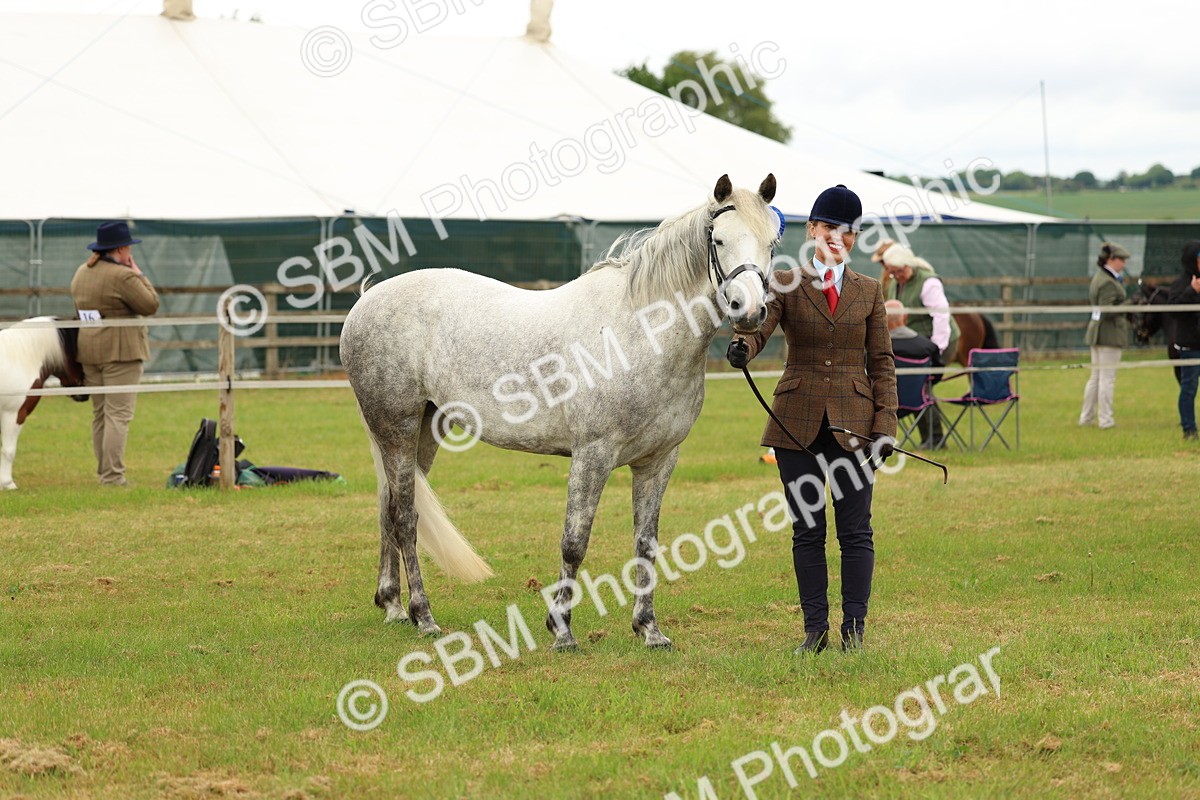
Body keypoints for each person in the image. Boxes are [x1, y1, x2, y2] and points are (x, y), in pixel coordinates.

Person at [727, 185, 897, 654]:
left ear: (855, 237)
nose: (837, 237)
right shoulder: (785, 281)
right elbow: (761, 328)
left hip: (856, 426)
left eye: (847, 231)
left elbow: (881, 361)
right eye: (828, 228)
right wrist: (744, 345)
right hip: (795, 423)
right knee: (808, 528)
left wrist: (885, 427)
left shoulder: (869, 290)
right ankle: (814, 629)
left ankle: (854, 630)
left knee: (855, 530)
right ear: (813, 231)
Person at [70, 221, 159, 485]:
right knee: (118, 414)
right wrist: (140, 274)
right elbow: (150, 304)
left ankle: (104, 471)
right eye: (129, 248)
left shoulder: (81, 273)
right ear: (121, 249)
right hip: (121, 352)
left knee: (100, 414)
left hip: (89, 349)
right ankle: (112, 476)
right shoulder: (123, 276)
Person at [875, 242, 960, 365]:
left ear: (909, 265)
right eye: (892, 272)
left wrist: (935, 349)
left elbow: (941, 316)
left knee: (923, 380)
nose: (897, 275)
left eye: (900, 271)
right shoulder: (895, 281)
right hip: (916, 341)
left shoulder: (929, 283)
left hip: (937, 340)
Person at [1079, 242, 1132, 430]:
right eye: (1121, 260)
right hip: (1108, 334)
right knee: (1106, 379)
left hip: (1097, 332)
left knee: (1096, 377)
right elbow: (1108, 310)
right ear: (1111, 259)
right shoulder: (1108, 282)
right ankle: (1106, 420)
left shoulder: (1100, 277)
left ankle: (1086, 418)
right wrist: (1131, 304)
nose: (1124, 264)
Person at [886, 298, 945, 448]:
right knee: (926, 390)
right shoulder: (928, 346)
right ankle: (935, 439)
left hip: (886, 402)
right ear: (905, 317)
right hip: (919, 400)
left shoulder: (880, 348)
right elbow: (938, 373)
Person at [1167, 240, 1200, 440]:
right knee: (1189, 388)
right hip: (1190, 346)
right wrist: (1192, 292)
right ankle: (1189, 429)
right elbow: (1173, 311)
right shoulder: (1180, 285)